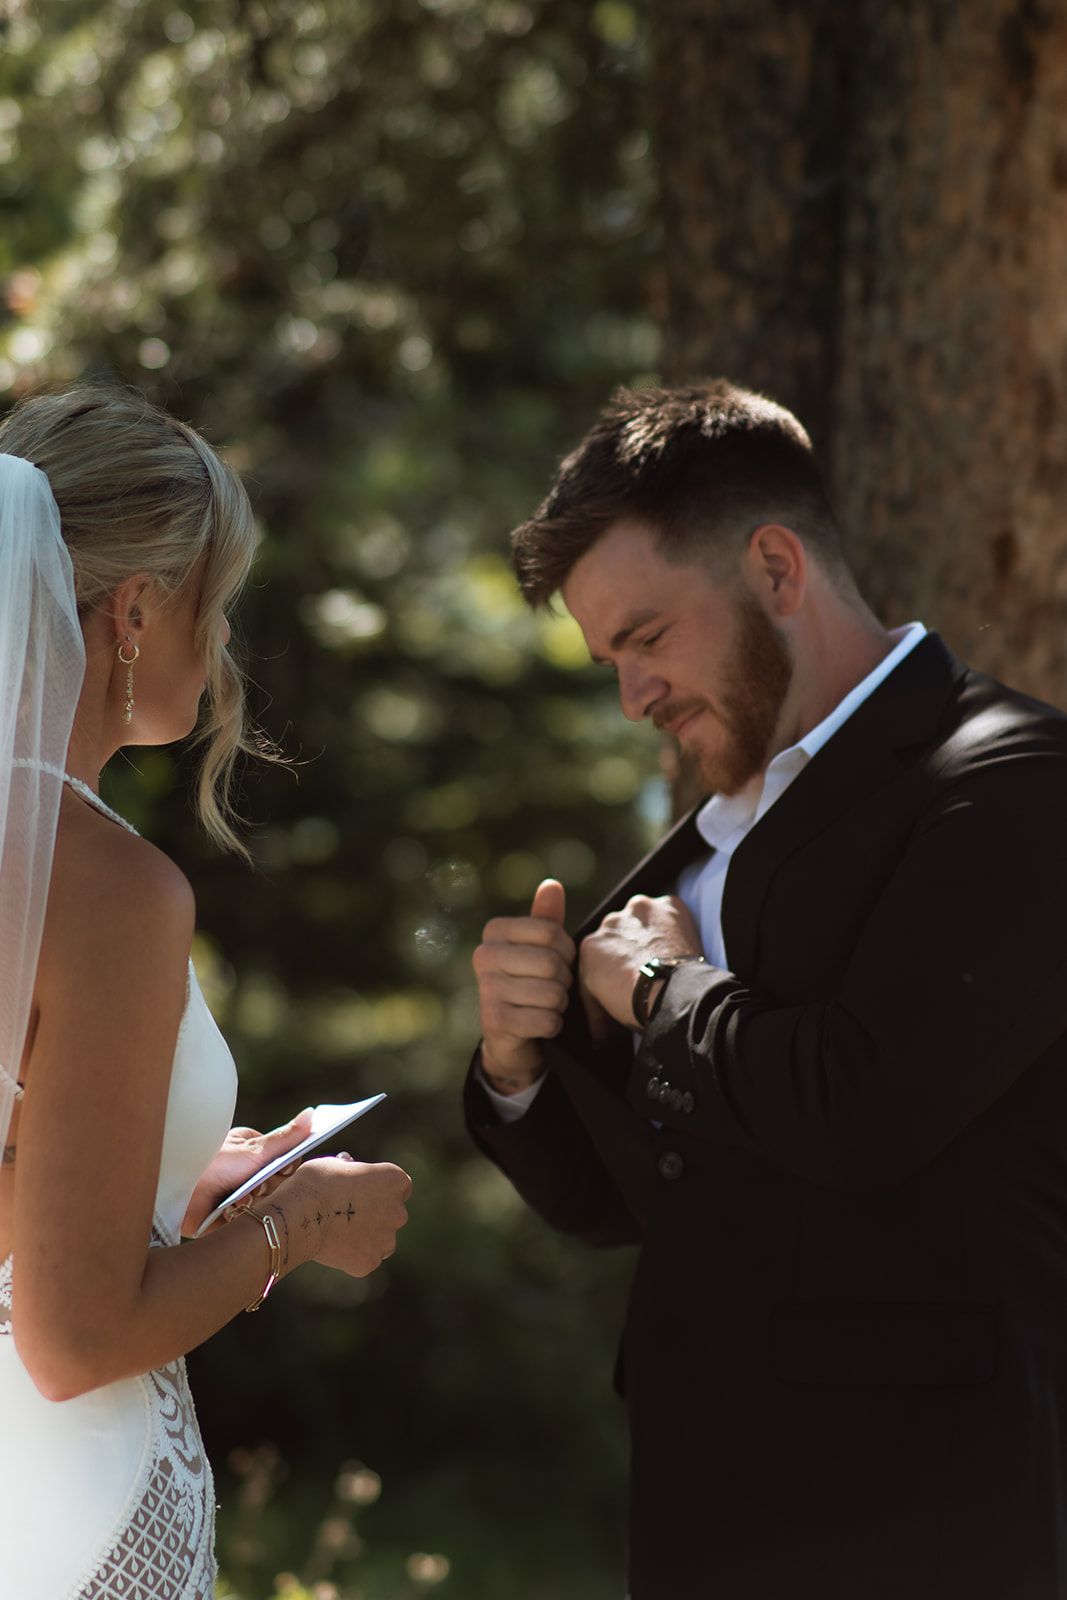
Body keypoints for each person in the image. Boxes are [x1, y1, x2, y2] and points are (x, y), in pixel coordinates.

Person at [466, 380, 1067, 1599]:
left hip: (934, 1516)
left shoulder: (1010, 778)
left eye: (644, 638)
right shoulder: (702, 836)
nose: (632, 695)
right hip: (703, 1510)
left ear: (777, 568)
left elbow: (863, 1106)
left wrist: (660, 990)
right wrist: (518, 1067)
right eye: (607, 660)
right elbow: (628, 1198)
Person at [0, 388, 412, 1600]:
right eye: (214, 606)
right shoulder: (114, 893)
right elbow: (74, 1339)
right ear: (134, 611)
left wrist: (183, 1185)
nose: (223, 643)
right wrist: (296, 1226)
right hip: (63, 1506)